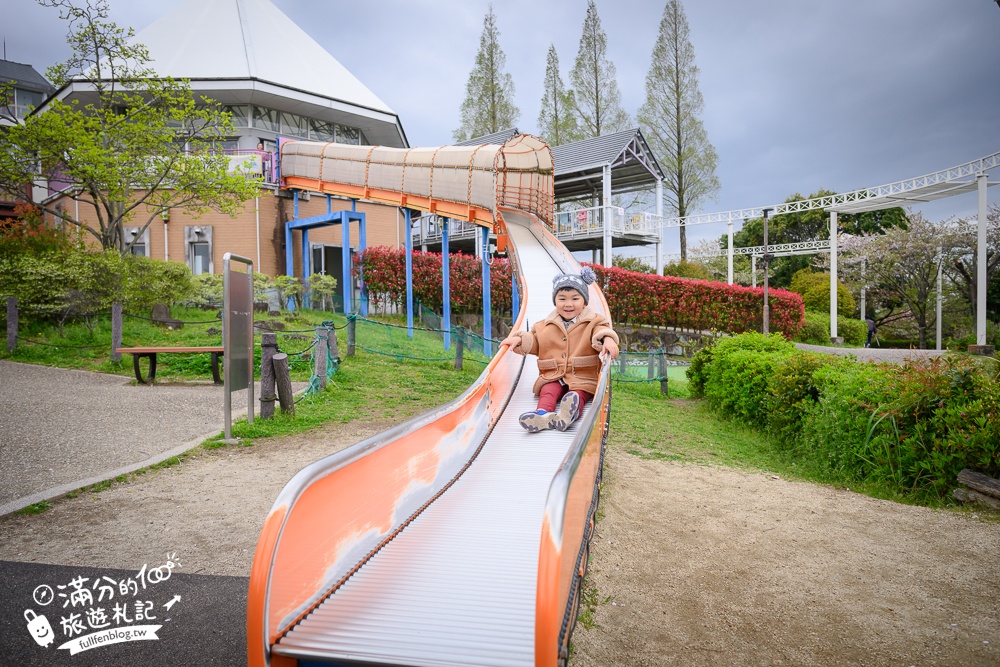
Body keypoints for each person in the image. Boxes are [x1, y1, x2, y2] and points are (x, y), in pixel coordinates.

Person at [500, 267, 620, 433]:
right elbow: (533, 339)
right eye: (562, 299)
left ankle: (568, 414)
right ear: (555, 301)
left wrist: (607, 340)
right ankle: (542, 415)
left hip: (582, 374)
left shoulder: (593, 321)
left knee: (578, 393)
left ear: (584, 301)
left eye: (575, 299)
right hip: (553, 374)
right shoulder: (543, 325)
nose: (568, 304)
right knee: (548, 391)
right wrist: (518, 338)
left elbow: (601, 331)